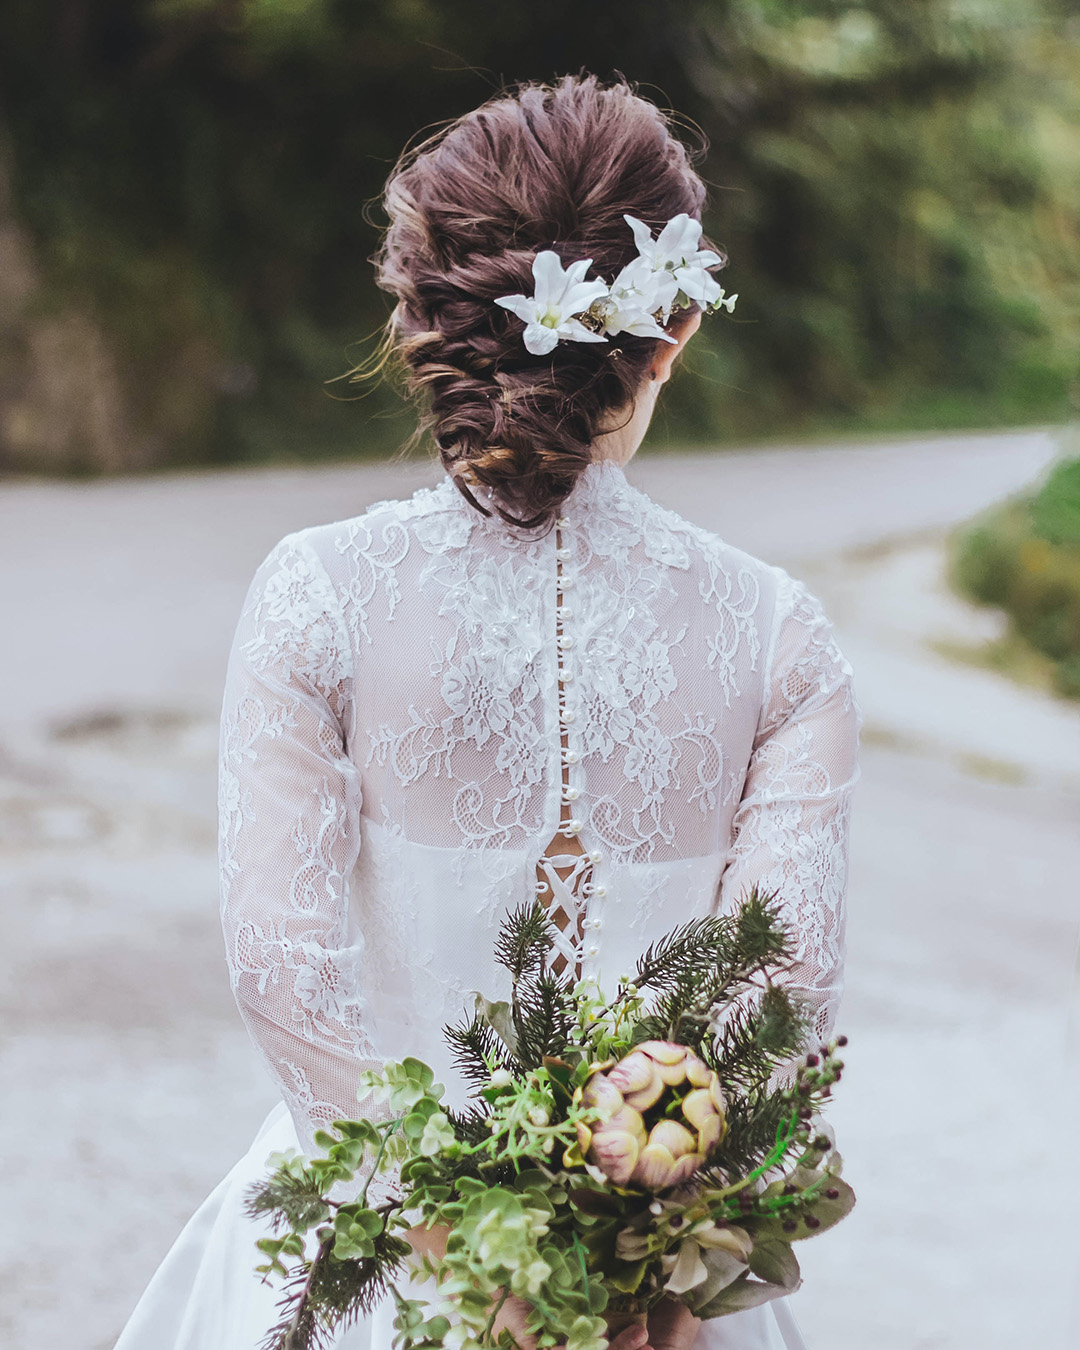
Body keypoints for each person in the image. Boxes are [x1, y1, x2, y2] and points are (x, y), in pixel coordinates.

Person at [114, 74, 859, 1350]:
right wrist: (658, 1278)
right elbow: (780, 996)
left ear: (420, 321)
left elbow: (283, 970)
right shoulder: (781, 637)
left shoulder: (318, 600)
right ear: (672, 331)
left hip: (378, 1270)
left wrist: (467, 1257)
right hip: (660, 1308)